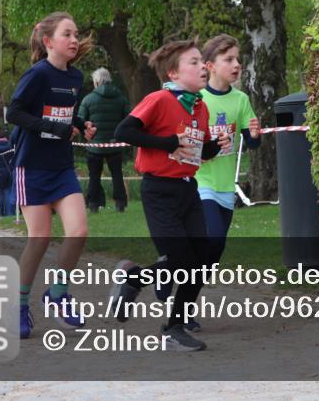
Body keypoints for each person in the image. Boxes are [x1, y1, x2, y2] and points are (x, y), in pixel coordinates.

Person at [108, 39, 230, 351]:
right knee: (181, 260)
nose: (202, 66)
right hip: (159, 191)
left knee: (199, 261)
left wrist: (218, 145)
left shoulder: (199, 107)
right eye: (194, 62)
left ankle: (174, 326)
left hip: (187, 190)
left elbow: (195, 152)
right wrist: (167, 143)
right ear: (174, 73)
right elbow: (124, 132)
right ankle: (134, 280)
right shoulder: (159, 99)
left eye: (202, 61)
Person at [6, 11, 97, 340]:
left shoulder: (75, 78)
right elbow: (15, 113)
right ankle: (18, 305)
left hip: (61, 167)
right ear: (48, 42)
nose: (74, 40)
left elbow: (67, 117)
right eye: (67, 34)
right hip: (31, 168)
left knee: (79, 230)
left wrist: (79, 126)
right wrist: (53, 127)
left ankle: (58, 293)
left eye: (76, 34)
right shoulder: (37, 75)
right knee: (40, 238)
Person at [196, 34, 261, 267]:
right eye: (229, 59)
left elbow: (251, 144)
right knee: (213, 239)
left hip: (226, 186)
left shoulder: (241, 99)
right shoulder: (196, 99)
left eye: (238, 59)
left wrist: (254, 136)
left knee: (212, 254)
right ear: (210, 66)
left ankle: (146, 275)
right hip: (199, 183)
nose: (237, 65)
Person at [77, 67, 131, 212]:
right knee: (117, 175)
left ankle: (93, 205)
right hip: (115, 144)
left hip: (94, 145)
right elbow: (129, 118)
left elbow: (80, 120)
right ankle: (120, 204)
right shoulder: (120, 98)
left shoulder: (88, 99)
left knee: (94, 176)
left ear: (96, 81)